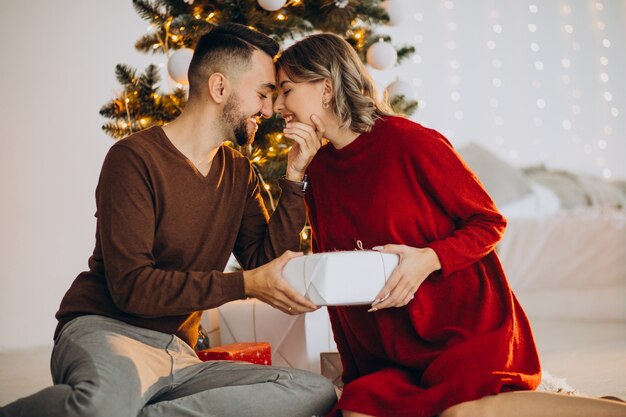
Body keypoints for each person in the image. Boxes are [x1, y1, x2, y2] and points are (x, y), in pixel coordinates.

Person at [273, 33, 626, 417]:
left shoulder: (409, 142)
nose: (277, 106)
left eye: (286, 91)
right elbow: (330, 282)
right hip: (395, 348)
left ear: (325, 87)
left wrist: (428, 258)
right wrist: (294, 172)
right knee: (357, 410)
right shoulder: (319, 172)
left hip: (465, 329)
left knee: (459, 413)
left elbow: (489, 221)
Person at [0, 23, 336, 417]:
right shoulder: (134, 160)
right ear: (219, 88)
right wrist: (245, 285)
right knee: (102, 405)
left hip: (179, 354)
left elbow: (266, 263)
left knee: (313, 390)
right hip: (108, 330)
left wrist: (295, 178)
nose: (269, 109)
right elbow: (132, 287)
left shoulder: (240, 172)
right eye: (262, 93)